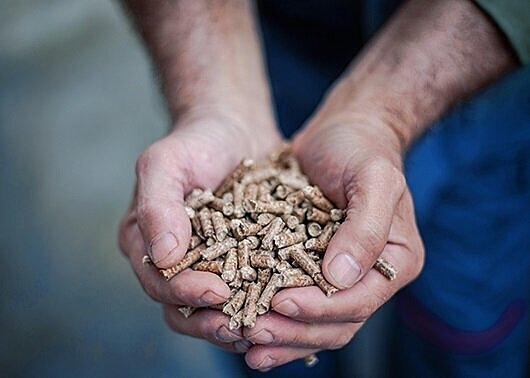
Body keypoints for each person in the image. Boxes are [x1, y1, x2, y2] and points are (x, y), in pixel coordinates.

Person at [118, 0, 530, 376]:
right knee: (267, 339)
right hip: (282, 41)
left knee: (465, 321)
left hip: (481, 89)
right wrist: (212, 101)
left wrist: (381, 119)